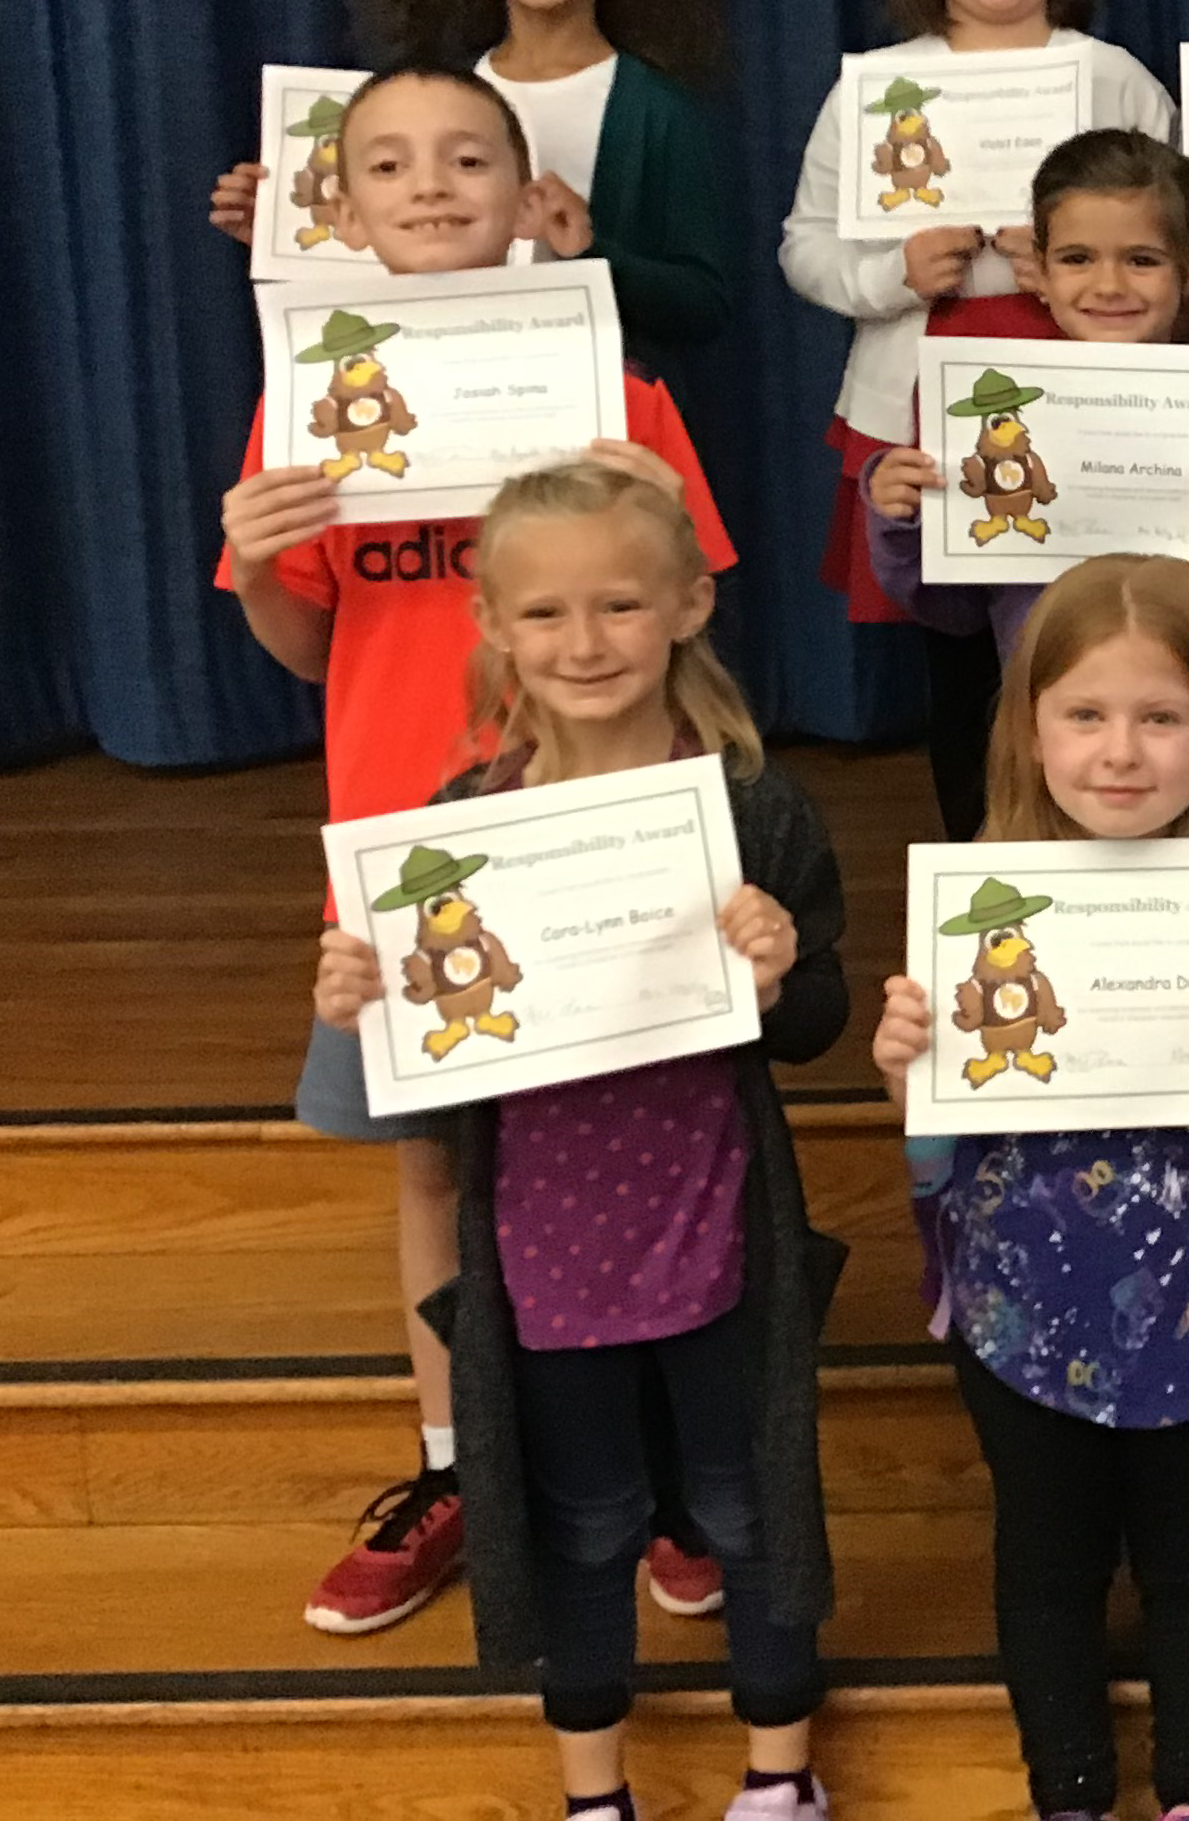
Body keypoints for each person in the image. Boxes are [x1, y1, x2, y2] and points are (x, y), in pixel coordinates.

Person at [215, 67, 735, 1638]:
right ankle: (456, 1465)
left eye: (463, 159)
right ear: (342, 205)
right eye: (387, 163)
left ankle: (659, 1479)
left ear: (528, 195)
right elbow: (308, 653)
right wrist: (252, 568)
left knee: (637, 1153)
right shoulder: (306, 392)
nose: (429, 186)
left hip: (597, 837)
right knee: (435, 1170)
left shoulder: (617, 391)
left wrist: (647, 508)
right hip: (401, 856)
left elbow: (697, 601)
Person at [312, 458, 842, 1821]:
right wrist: (373, 1006)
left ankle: (780, 1777)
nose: (585, 642)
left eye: (618, 604)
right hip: (541, 1260)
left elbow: (820, 1024)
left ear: (688, 605)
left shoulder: (755, 810)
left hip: (720, 1236)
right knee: (584, 1526)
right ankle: (592, 1795)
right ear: (491, 624)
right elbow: (435, 1098)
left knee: (750, 1512)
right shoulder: (451, 837)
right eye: (545, 615)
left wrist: (781, 972)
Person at [873, 554, 1189, 1821]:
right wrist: (905, 1065)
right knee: (1047, 1559)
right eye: (1085, 714)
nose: (1120, 753)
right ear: (1029, 726)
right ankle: (1067, 1791)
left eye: (1161, 717)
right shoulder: (977, 899)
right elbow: (929, 1126)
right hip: (1023, 1303)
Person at [778, 0, 1175, 841]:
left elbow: (1187, 243)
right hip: (919, 401)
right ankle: (980, 848)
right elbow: (804, 245)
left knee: (1103, 643)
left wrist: (1086, 265)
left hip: (1091, 396)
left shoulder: (1113, 78)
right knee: (960, 668)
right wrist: (896, 273)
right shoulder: (876, 91)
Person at [213, 0, 736, 360]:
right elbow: (387, 271)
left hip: (594, 412)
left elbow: (703, 307)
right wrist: (284, 240)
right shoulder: (424, 96)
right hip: (442, 398)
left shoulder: (656, 110)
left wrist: (587, 251)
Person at [860, 128, 1189, 663]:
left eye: (1142, 260)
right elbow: (955, 613)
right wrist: (901, 519)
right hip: (1042, 721)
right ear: (1039, 270)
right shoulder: (985, 424)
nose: (1109, 285)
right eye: (1077, 259)